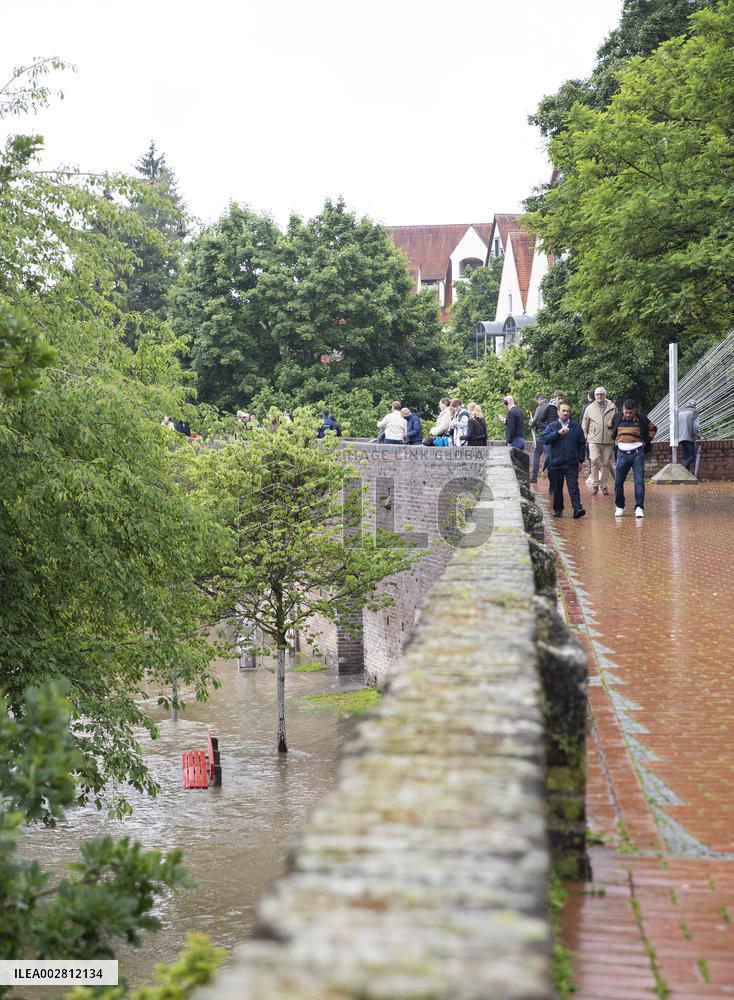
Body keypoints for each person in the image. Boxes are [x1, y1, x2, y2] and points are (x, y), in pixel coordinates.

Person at [609, 399, 657, 517]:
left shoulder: (642, 418)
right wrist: (614, 439)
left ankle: (639, 507)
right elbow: (609, 427)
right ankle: (620, 506)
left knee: (639, 482)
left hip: (637, 453)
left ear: (635, 410)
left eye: (630, 412)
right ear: (623, 410)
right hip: (621, 453)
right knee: (618, 482)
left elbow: (653, 429)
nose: (628, 415)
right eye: (626, 412)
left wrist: (646, 441)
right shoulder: (617, 417)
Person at [542, 402, 587, 519]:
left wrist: (581, 460)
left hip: (571, 462)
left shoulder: (576, 427)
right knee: (557, 488)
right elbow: (545, 439)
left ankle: (577, 508)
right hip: (556, 463)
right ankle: (558, 509)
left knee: (573, 486)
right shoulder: (552, 426)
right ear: (558, 412)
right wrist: (558, 433)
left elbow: (582, 444)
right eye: (563, 411)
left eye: (568, 411)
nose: (566, 413)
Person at [582, 387, 616, 496]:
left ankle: (604, 486)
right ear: (594, 396)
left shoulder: (612, 407)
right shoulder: (589, 408)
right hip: (593, 440)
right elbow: (585, 423)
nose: (599, 396)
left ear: (605, 395)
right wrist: (586, 436)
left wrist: (615, 436)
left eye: (601, 394)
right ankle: (595, 485)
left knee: (606, 463)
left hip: (608, 440)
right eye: (597, 394)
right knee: (594, 460)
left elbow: (616, 422)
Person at [529, 393, 548, 483]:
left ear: (539, 399)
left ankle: (533, 477)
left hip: (541, 435)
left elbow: (534, 422)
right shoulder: (552, 406)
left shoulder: (540, 408)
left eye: (537, 401)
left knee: (536, 456)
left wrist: (531, 422)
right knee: (549, 457)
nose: (537, 403)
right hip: (550, 435)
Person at [677, 400, 701, 472]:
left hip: (680, 437)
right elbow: (695, 427)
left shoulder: (680, 412)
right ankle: (682, 469)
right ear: (694, 405)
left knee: (686, 456)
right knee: (693, 456)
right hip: (689, 437)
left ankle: (686, 475)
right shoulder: (694, 412)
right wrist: (698, 435)